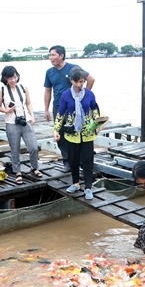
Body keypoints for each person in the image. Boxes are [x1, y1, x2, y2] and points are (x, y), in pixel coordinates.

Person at [44, 45, 95, 172]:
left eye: (53, 55)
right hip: (58, 107)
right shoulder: (49, 72)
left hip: (74, 107)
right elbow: (47, 90)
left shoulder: (73, 68)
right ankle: (67, 161)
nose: (51, 58)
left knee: (78, 131)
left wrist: (84, 97)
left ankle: (82, 162)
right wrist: (46, 109)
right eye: (50, 55)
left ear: (61, 56)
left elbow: (91, 79)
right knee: (60, 134)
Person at [52, 67, 100, 200]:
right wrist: (56, 129)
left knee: (87, 160)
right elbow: (60, 114)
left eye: (82, 82)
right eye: (77, 82)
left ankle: (88, 187)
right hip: (72, 133)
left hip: (87, 132)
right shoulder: (66, 95)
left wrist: (97, 122)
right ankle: (75, 183)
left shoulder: (89, 94)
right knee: (73, 161)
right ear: (71, 81)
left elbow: (95, 109)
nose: (80, 85)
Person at [0, 65, 41, 184]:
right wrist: (6, 111)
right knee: (14, 148)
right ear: (5, 78)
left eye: (15, 77)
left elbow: (29, 103)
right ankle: (17, 171)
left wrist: (32, 115)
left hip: (25, 121)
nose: (13, 80)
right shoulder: (2, 90)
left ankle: (34, 167)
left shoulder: (23, 87)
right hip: (11, 122)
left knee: (33, 147)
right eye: (10, 78)